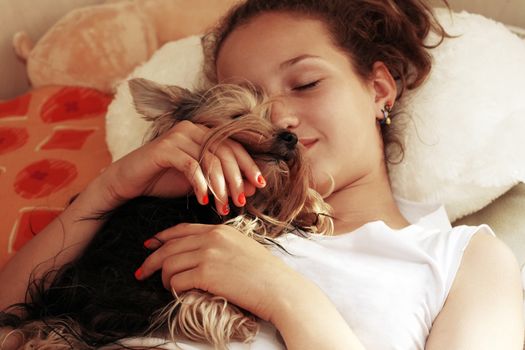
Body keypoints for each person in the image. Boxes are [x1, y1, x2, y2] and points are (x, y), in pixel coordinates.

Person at [0, 0, 523, 349]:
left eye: (306, 82)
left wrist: (287, 297)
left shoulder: (463, 259)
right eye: (246, 102)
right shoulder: (192, 215)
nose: (277, 118)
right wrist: (112, 190)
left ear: (379, 90)